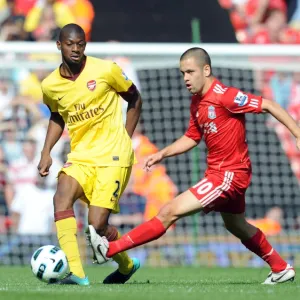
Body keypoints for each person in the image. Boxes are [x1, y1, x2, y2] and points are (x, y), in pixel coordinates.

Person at [87, 47, 299, 285]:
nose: (185, 78)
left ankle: (110, 249)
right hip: (220, 173)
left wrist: (297, 133)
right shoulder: (197, 102)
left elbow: (269, 104)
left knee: (169, 211)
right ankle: (281, 268)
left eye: (190, 72)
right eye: (182, 73)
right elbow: (192, 137)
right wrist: (162, 154)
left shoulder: (225, 95)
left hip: (229, 174)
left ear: (206, 70)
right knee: (236, 225)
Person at [38, 23, 142, 285]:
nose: (76, 49)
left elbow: (135, 99)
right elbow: (56, 116)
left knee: (97, 226)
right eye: (70, 44)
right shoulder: (50, 85)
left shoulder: (106, 69)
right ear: (59, 45)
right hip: (82, 156)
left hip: (113, 156)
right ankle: (76, 273)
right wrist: (46, 151)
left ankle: (127, 265)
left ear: (85, 45)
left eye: (80, 44)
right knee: (61, 196)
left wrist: (125, 139)